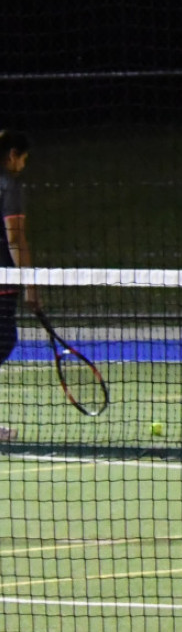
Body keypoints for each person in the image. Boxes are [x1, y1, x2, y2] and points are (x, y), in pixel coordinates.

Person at [0, 130, 36, 443]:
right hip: (2, 284)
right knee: (4, 340)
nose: (23, 165)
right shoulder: (9, 186)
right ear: (13, 155)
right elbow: (14, 237)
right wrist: (31, 285)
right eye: (23, 158)